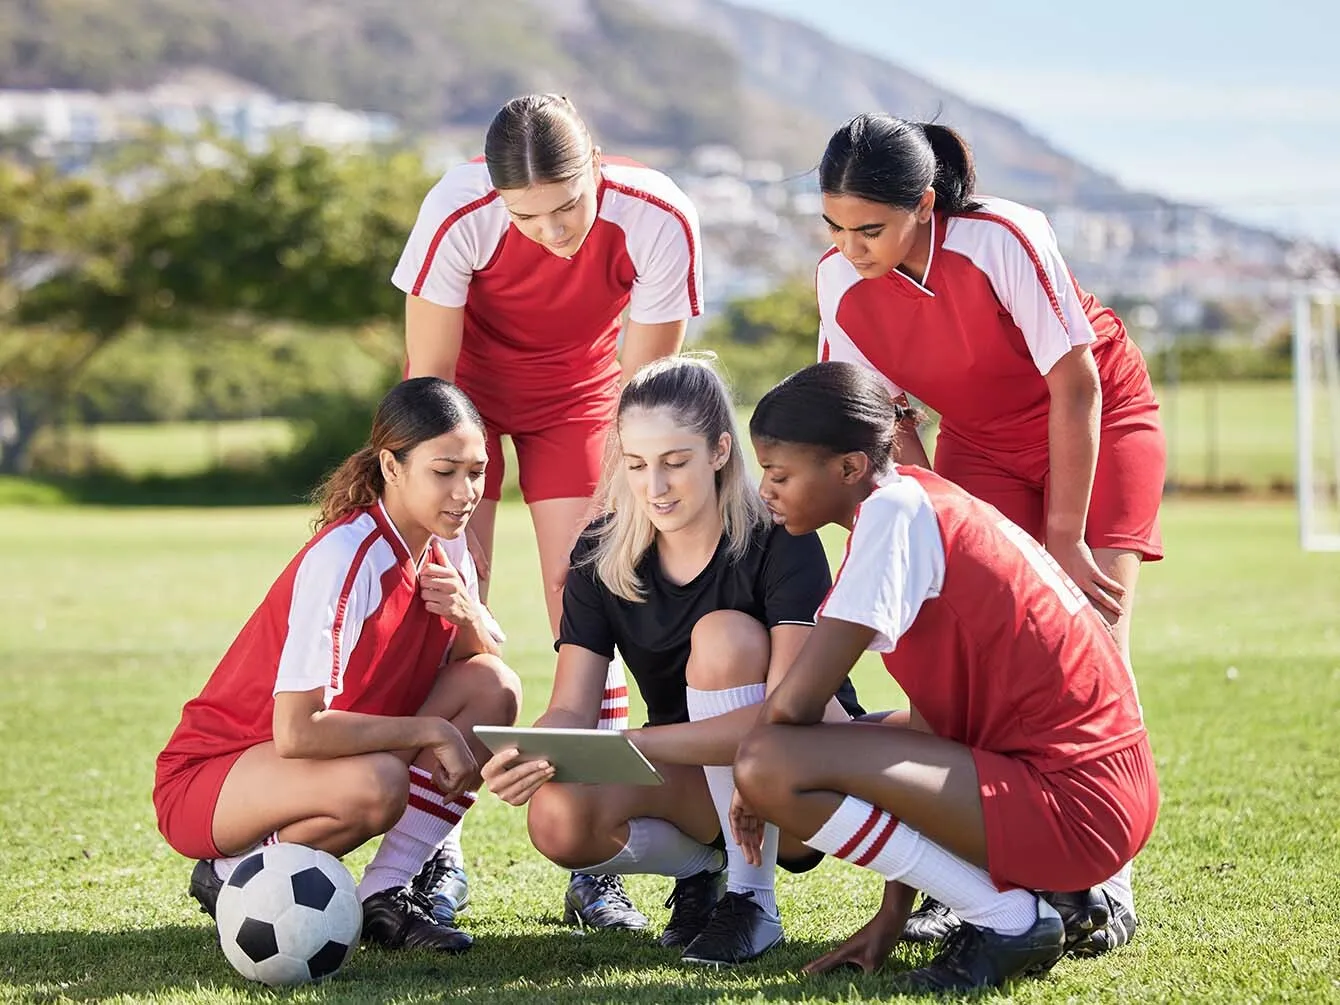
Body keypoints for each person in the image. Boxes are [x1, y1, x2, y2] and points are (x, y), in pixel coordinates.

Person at [813, 113, 1164, 944]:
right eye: (833, 225)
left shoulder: (1005, 234)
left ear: (924, 205)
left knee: (1097, 636)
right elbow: (878, 424)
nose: (851, 246)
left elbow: (1076, 388)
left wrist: (1068, 541)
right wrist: (918, 523)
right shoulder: (839, 281)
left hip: (1098, 423)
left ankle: (1105, 883)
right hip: (981, 443)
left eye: (871, 228)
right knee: (971, 655)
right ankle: (971, 875)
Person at [727, 362, 1158, 993]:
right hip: (1100, 787)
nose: (765, 490)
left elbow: (794, 706)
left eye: (779, 473)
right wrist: (892, 914)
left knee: (772, 760)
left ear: (849, 468)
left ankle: (1011, 919)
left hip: (1078, 798)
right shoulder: (921, 496)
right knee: (839, 742)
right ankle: (1030, 899)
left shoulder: (892, 515)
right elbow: (933, 733)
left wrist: (746, 781)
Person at [393, 93, 702, 925]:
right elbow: (430, 388)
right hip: (467, 404)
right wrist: (447, 503)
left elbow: (644, 398)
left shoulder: (658, 214)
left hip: (586, 405)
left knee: (590, 597)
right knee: (448, 600)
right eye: (527, 216)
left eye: (569, 206)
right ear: (495, 196)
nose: (555, 231)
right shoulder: (456, 211)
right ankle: (430, 849)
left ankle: (592, 862)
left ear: (596, 162)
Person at [480, 356, 865, 967]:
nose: (654, 486)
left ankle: (752, 901)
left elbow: (788, 714)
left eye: (674, 463)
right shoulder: (600, 554)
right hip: (695, 772)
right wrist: (532, 754)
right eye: (636, 465)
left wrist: (639, 743)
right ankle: (703, 872)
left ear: (717, 451)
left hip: (797, 780)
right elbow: (574, 705)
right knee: (557, 818)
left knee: (723, 637)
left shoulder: (779, 535)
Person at [152, 378, 522, 955]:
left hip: (332, 754)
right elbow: (297, 731)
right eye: (443, 471)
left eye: (476, 472)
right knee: (378, 784)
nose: (465, 491)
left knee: (496, 685)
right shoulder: (345, 557)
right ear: (392, 468)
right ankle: (232, 873)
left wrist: (469, 613)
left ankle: (387, 893)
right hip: (218, 773)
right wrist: (430, 730)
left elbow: (482, 681)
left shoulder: (448, 544)